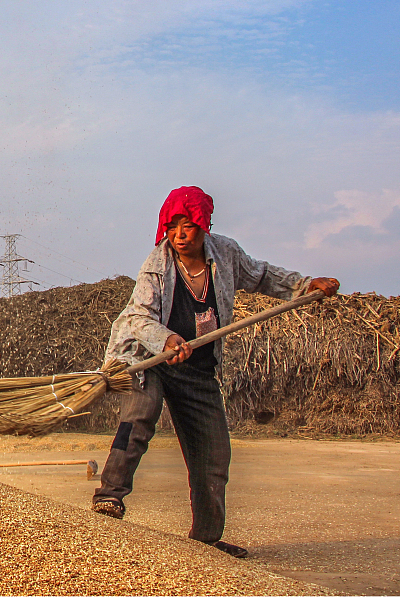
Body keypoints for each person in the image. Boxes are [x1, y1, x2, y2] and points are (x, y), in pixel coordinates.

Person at [92, 186, 338, 558]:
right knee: (138, 418)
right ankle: (109, 498)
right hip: (150, 360)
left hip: (198, 367)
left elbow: (262, 276)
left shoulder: (226, 253)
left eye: (187, 225)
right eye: (172, 227)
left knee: (214, 453)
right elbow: (138, 317)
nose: (179, 235)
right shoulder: (156, 265)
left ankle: (206, 540)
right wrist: (168, 339)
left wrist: (303, 285)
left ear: (204, 225)